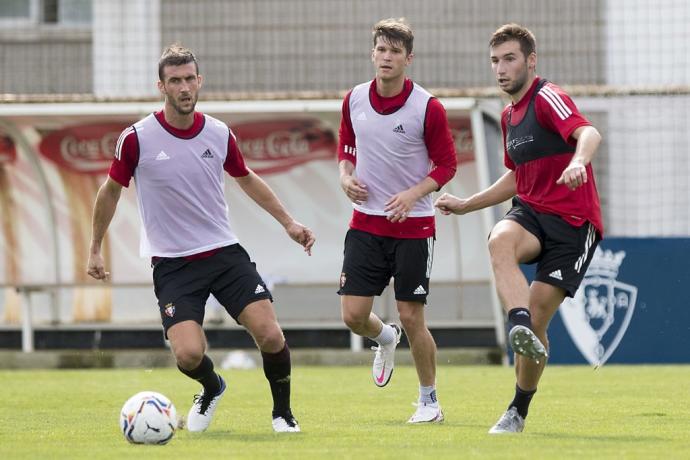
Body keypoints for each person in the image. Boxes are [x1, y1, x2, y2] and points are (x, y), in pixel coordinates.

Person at [87, 44, 315, 433]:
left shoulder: (218, 132)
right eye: (175, 80)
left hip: (224, 254)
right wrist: (95, 247)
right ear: (161, 85)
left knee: (270, 335)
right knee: (190, 354)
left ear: (200, 81)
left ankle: (283, 414)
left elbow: (247, 179)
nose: (184, 87)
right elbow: (109, 191)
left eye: (190, 78)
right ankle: (212, 387)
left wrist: (289, 223)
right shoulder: (137, 138)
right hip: (173, 263)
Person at [435, 23, 603, 433]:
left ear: (530, 61)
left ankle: (518, 409)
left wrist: (579, 161)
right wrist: (467, 204)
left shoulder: (548, 97)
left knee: (540, 317)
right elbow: (516, 177)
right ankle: (518, 324)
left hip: (573, 224)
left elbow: (588, 132)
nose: (500, 68)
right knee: (500, 240)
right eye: (494, 60)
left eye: (509, 59)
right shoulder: (509, 115)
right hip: (531, 211)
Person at [337, 18, 457, 424]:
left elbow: (447, 165)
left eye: (395, 51)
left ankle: (429, 402)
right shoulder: (353, 99)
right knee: (354, 316)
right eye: (381, 50)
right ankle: (384, 338)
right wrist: (344, 176)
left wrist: (412, 195)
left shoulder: (428, 107)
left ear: (409, 58)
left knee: (412, 316)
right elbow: (346, 145)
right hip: (365, 224)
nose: (386, 57)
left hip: (414, 228)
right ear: (373, 53)